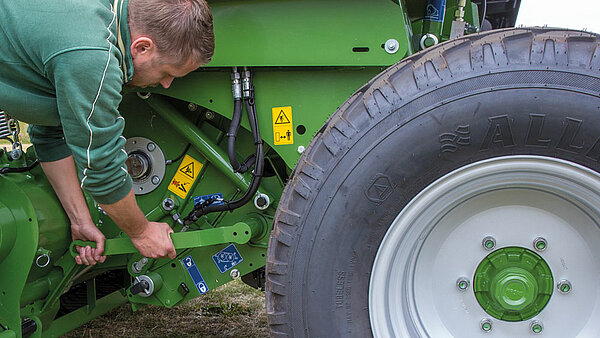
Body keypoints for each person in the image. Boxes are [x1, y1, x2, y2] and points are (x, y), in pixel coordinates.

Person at [0, 0, 215, 265]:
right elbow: (102, 167)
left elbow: (51, 133)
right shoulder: (92, 54)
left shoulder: (103, 17)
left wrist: (80, 220)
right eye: (167, 72)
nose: (166, 84)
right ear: (143, 47)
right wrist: (141, 231)